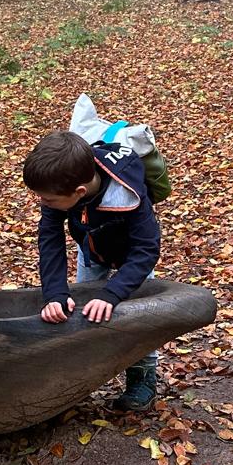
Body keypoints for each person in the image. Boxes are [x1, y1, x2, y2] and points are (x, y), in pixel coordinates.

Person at [22, 129, 162, 411]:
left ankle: (143, 375)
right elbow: (50, 241)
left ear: (79, 192)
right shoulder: (58, 188)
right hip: (91, 248)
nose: (43, 203)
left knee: (139, 316)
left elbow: (146, 249)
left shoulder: (128, 192)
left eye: (48, 200)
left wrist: (112, 293)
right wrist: (55, 294)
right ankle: (85, 374)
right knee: (83, 309)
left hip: (132, 258)